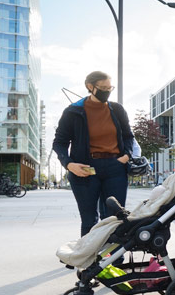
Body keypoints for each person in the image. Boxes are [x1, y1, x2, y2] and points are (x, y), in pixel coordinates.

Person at [53, 71, 135, 236]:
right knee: (89, 220)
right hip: (86, 169)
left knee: (115, 218)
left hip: (115, 167)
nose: (107, 91)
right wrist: (69, 164)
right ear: (90, 87)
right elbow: (59, 143)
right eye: (103, 87)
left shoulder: (117, 110)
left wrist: (126, 156)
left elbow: (128, 137)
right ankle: (90, 260)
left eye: (109, 87)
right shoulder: (73, 112)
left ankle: (114, 258)